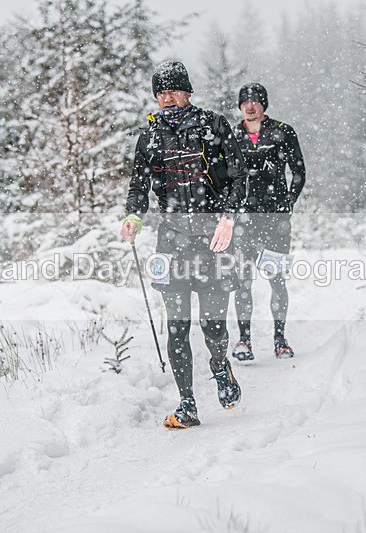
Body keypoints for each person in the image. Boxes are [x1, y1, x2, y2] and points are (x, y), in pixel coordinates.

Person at [120, 60, 249, 429]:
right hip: (172, 240)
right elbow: (138, 185)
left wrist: (227, 217)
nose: (167, 98)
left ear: (188, 92)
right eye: (160, 93)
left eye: (173, 90)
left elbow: (239, 176)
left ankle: (221, 366)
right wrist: (133, 216)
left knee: (212, 325)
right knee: (177, 325)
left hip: (214, 239)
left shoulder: (214, 125)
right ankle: (187, 405)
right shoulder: (151, 136)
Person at [230, 83, 306, 361]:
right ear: (240, 106)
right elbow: (223, 175)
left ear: (264, 105)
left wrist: (289, 200)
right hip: (243, 219)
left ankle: (280, 339)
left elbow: (298, 171)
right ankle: (244, 341)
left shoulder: (283, 132)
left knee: (276, 279)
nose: (250, 106)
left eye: (256, 101)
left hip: (275, 218)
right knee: (243, 281)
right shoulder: (232, 135)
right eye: (245, 101)